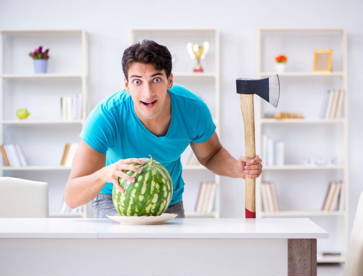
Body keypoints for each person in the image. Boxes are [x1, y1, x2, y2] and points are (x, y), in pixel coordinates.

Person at [63, 39, 262, 218]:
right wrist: (105, 174)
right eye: (137, 82)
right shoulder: (107, 116)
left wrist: (238, 169)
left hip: (168, 200)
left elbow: (211, 155)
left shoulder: (192, 109)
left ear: (170, 81)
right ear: (126, 85)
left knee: (172, 259)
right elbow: (71, 197)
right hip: (113, 199)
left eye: (156, 80)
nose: (147, 93)